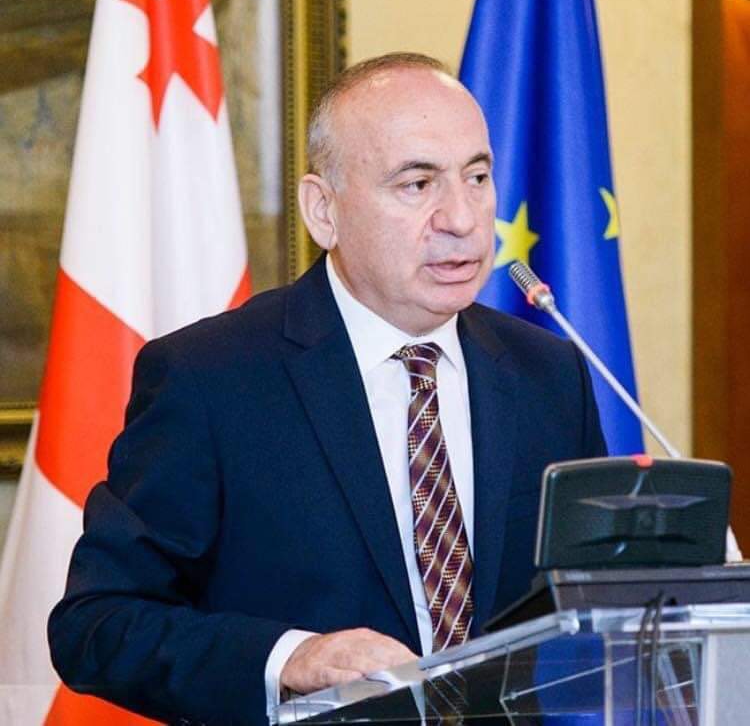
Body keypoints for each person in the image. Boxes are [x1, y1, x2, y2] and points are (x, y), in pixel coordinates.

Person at [48, 53, 607, 725]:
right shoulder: (210, 378)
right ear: (324, 211)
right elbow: (97, 623)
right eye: (417, 184)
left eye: (477, 177)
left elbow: (593, 604)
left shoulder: (549, 372)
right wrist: (290, 658)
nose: (462, 217)